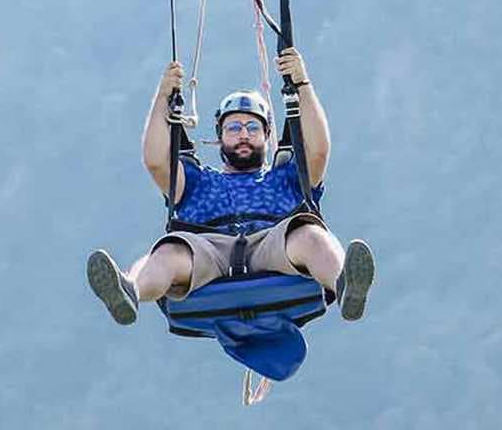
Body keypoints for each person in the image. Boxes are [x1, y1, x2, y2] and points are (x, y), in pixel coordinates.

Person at [86, 47, 375, 325]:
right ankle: (130, 291)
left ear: (266, 136)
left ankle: (345, 285)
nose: (243, 135)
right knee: (168, 253)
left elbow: (319, 151)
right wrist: (163, 96)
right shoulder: (197, 181)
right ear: (220, 138)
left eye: (252, 128)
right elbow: (156, 162)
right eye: (234, 128)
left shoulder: (286, 178)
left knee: (311, 235)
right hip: (207, 250)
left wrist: (302, 83)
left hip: (274, 245)